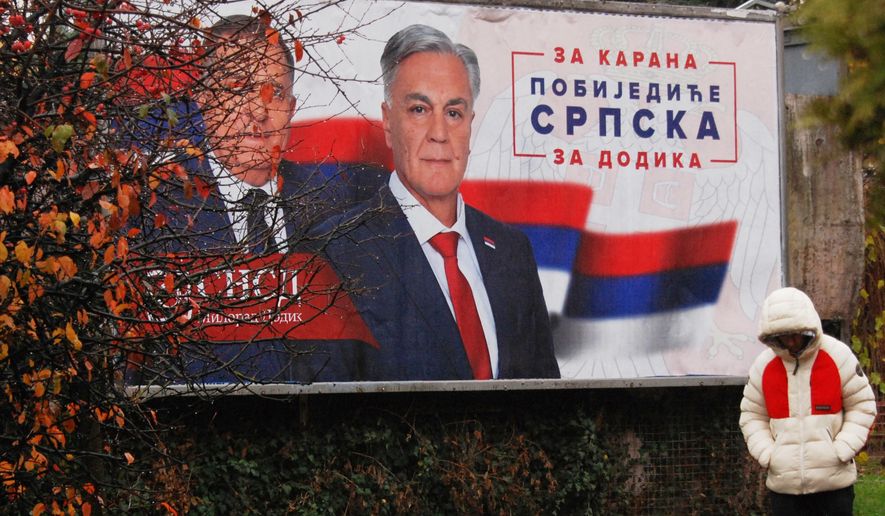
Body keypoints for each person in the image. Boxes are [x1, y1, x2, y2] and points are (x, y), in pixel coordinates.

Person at [317, 24, 560, 381]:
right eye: (419, 109)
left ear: (470, 125)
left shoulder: (512, 252)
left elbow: (548, 401)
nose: (439, 134)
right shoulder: (336, 252)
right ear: (387, 122)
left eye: (453, 113)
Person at [739, 287, 877, 515]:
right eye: (783, 334)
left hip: (834, 486)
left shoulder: (838, 356)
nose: (791, 340)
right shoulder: (763, 366)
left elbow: (863, 406)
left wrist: (841, 450)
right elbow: (752, 415)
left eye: (796, 332)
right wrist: (769, 454)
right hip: (785, 488)